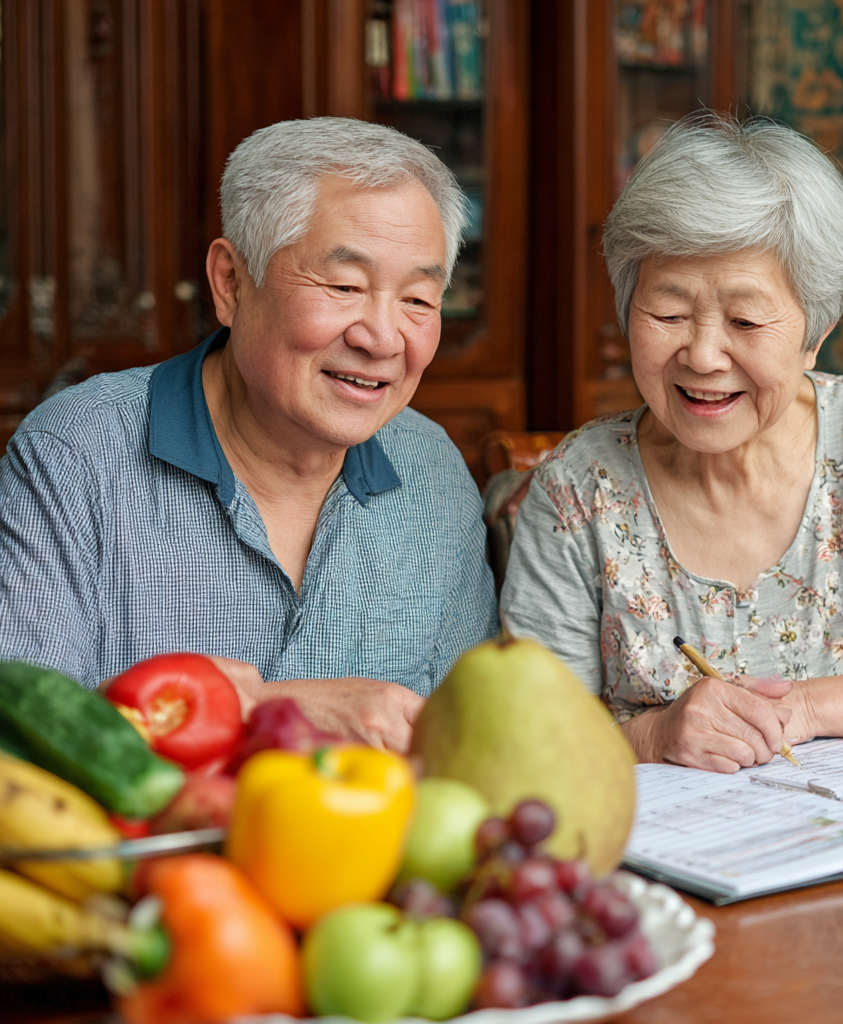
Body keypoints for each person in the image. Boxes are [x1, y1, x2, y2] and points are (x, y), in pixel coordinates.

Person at [501, 113, 843, 773]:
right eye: (667, 314)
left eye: (745, 320)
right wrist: (654, 737)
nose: (703, 354)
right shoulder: (576, 492)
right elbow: (525, 744)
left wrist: (806, 707)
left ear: (816, 332)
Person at [0, 117, 498, 754]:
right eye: (344, 287)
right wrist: (261, 709)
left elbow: (472, 738)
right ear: (230, 283)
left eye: (419, 301)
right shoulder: (78, 455)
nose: (381, 338)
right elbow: (20, 735)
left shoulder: (430, 467)